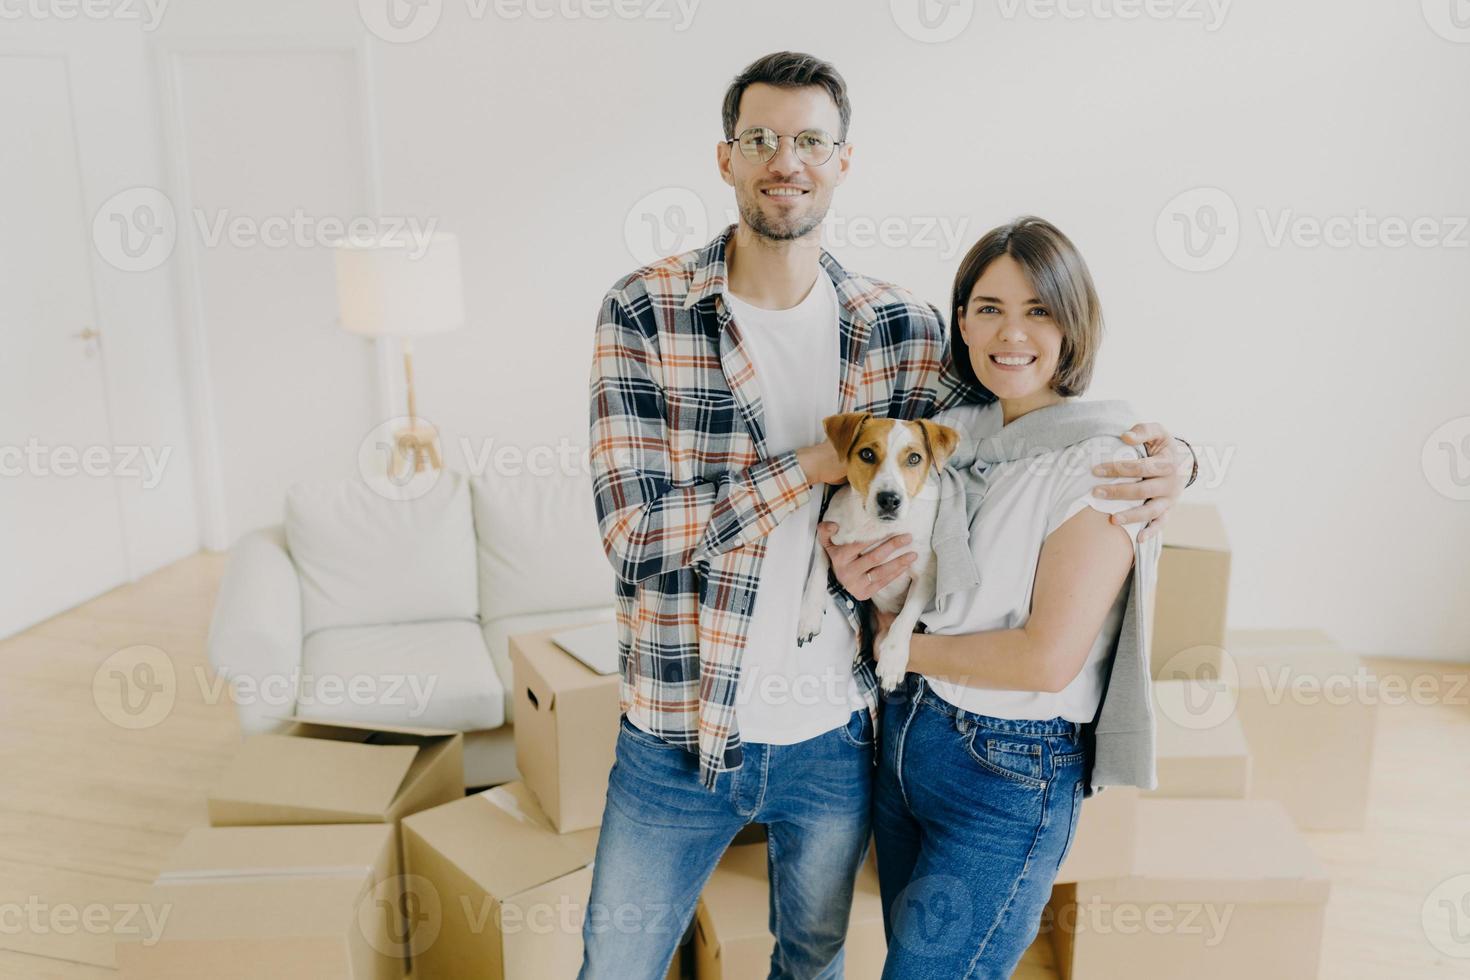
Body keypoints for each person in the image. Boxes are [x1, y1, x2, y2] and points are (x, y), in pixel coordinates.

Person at [581, 53, 1190, 980]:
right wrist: (810, 467)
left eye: (811, 140)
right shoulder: (646, 310)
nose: (787, 159)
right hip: (679, 725)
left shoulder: (897, 328)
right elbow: (634, 539)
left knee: (813, 963)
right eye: (762, 139)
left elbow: (1023, 408)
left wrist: (1177, 456)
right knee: (616, 966)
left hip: (839, 734)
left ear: (842, 161)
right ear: (727, 158)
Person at [838, 216, 1163, 979]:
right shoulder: (949, 436)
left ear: (1073, 324)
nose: (1010, 332)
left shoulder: (1103, 464)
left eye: (1038, 310)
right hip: (909, 740)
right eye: (988, 308)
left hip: (1008, 773)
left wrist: (890, 643)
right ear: (961, 319)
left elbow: (1045, 660)